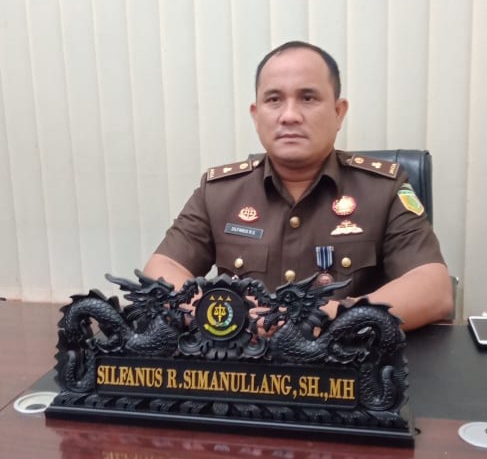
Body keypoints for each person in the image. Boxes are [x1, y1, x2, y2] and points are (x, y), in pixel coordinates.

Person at [143, 41, 453, 331]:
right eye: (274, 100)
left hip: (348, 362)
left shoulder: (382, 189)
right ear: (256, 115)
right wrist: (218, 315)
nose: (289, 116)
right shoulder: (220, 193)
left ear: (338, 112)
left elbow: (433, 288)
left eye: (308, 98)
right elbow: (163, 266)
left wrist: (328, 319)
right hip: (245, 363)